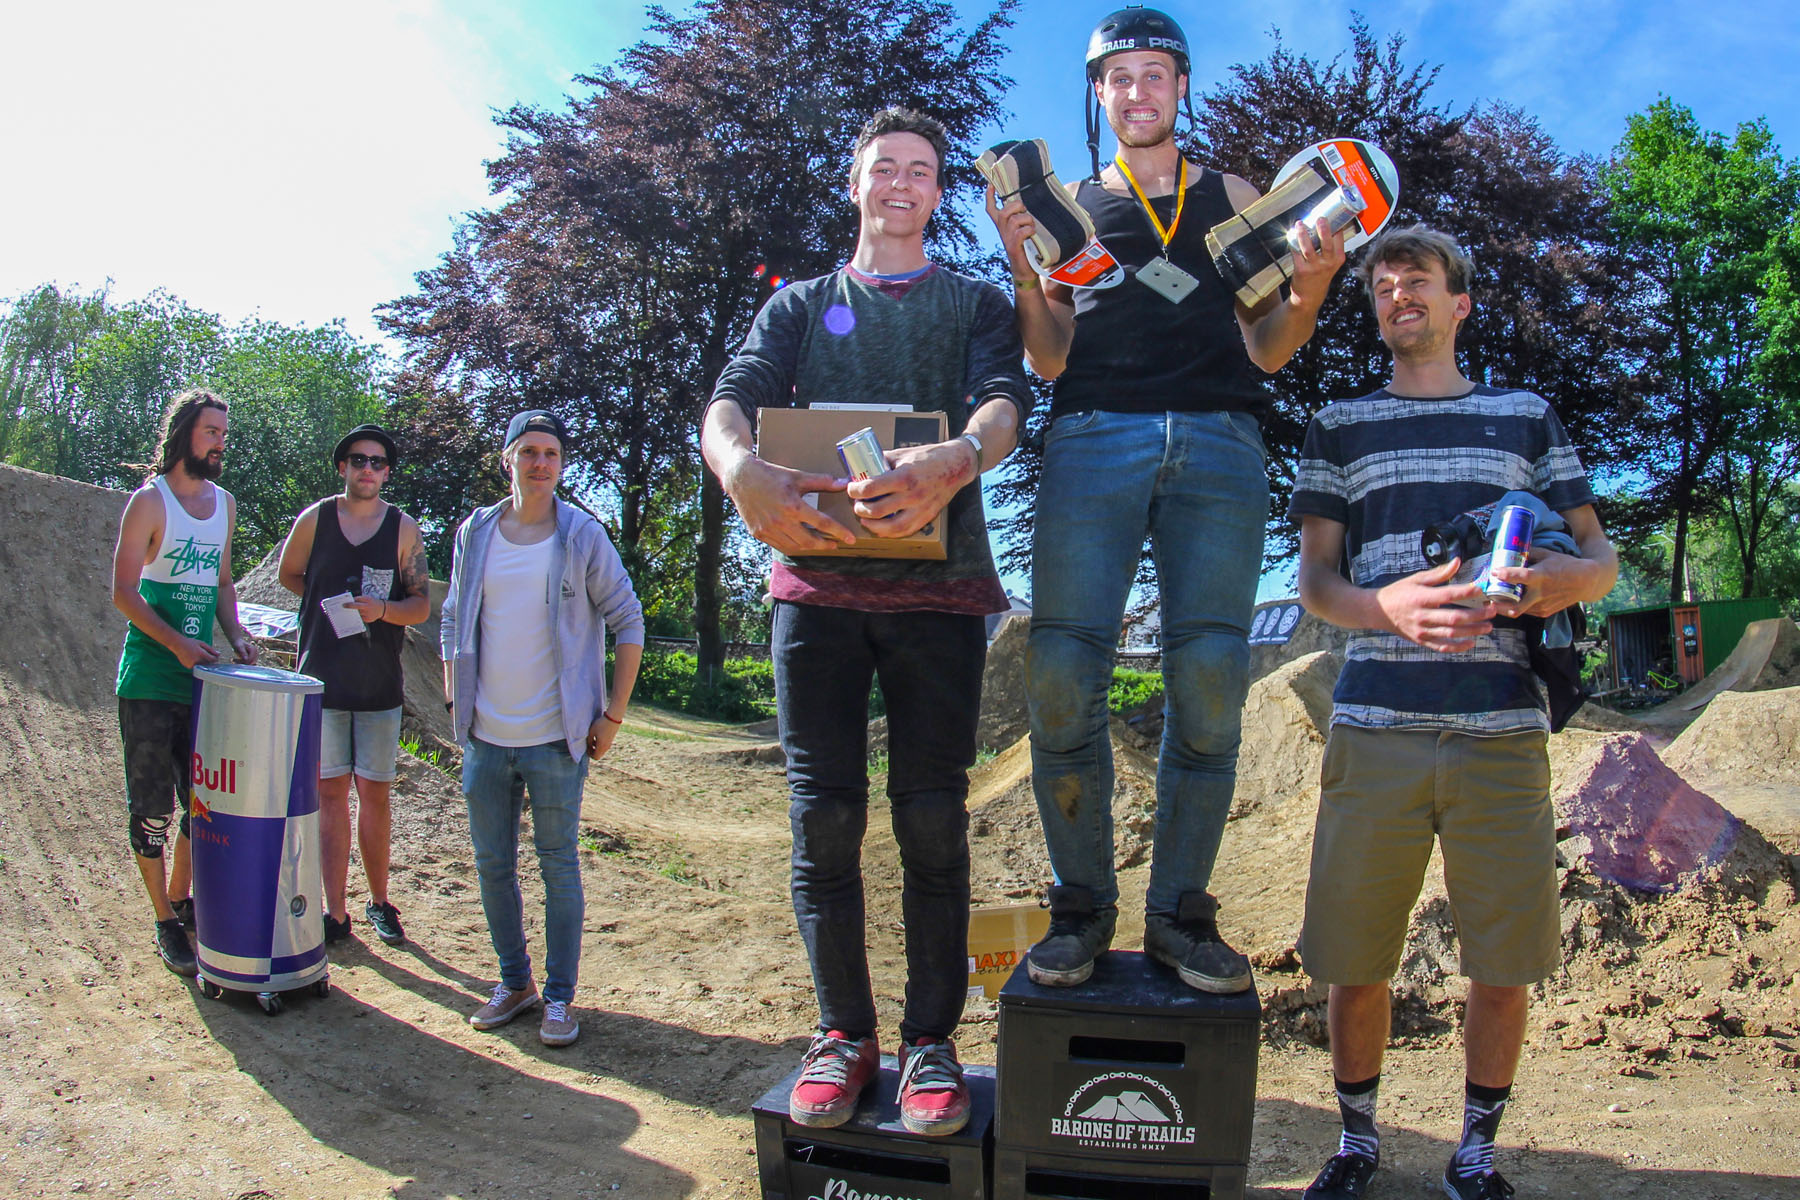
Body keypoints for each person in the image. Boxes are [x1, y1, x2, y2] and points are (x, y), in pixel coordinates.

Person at [984, 6, 1345, 993]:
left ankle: (1183, 912)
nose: (1137, 91)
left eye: (1156, 73)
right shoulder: (1066, 210)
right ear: (1097, 96)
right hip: (1096, 438)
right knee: (1060, 676)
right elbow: (1050, 359)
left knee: (1213, 688)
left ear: (1183, 87)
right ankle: (1080, 910)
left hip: (1222, 447)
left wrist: (1309, 288)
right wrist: (1023, 260)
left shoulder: (1235, 195)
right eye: (1119, 77)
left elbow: (1268, 346)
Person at [701, 108, 1030, 1137]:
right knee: (823, 818)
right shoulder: (801, 307)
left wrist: (958, 461)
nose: (900, 183)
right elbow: (731, 401)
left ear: (938, 195)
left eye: (920, 172)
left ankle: (931, 1042)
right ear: (855, 185)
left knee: (933, 816)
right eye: (883, 168)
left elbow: (1005, 402)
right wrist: (738, 470)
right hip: (816, 597)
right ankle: (843, 1035)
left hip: (942, 600)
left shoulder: (977, 302)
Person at [1288, 224, 1617, 1200]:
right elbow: (1312, 580)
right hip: (1373, 724)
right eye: (1384, 284)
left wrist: (1559, 582)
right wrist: (1380, 606)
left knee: (1502, 962)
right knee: (1355, 960)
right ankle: (1356, 1145)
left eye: (1418, 280)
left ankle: (1473, 1157)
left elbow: (1600, 563)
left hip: (1504, 730)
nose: (1399, 294)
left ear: (1459, 303)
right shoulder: (1337, 424)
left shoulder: (1526, 419)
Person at [440, 410, 644, 1048]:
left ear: (561, 464)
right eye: (528, 451)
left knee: (558, 865)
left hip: (557, 737)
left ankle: (559, 998)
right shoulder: (475, 532)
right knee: (492, 864)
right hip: (485, 736)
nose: (540, 463)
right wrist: (455, 694)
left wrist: (612, 715)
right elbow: (452, 617)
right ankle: (513, 983)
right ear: (508, 459)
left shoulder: (581, 534)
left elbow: (628, 620)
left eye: (551, 453)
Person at [111, 388, 259, 976]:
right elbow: (122, 591)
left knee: (202, 805)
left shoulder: (223, 504)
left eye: (224, 433)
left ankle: (179, 900)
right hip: (150, 679)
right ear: (184, 435)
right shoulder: (149, 502)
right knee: (151, 811)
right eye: (211, 432)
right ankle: (165, 923)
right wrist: (175, 644)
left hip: (205, 684)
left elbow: (223, 584)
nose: (221, 443)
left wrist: (238, 633)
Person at [277, 424, 431, 946]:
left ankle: (380, 901)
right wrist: (325, 603)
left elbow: (421, 604)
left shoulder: (403, 529)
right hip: (321, 683)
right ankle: (335, 911)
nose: (368, 469)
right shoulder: (314, 520)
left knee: (376, 796)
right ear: (342, 466)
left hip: (379, 688)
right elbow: (290, 575)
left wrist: (380, 610)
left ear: (387, 472)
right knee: (329, 795)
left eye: (378, 462)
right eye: (359, 460)